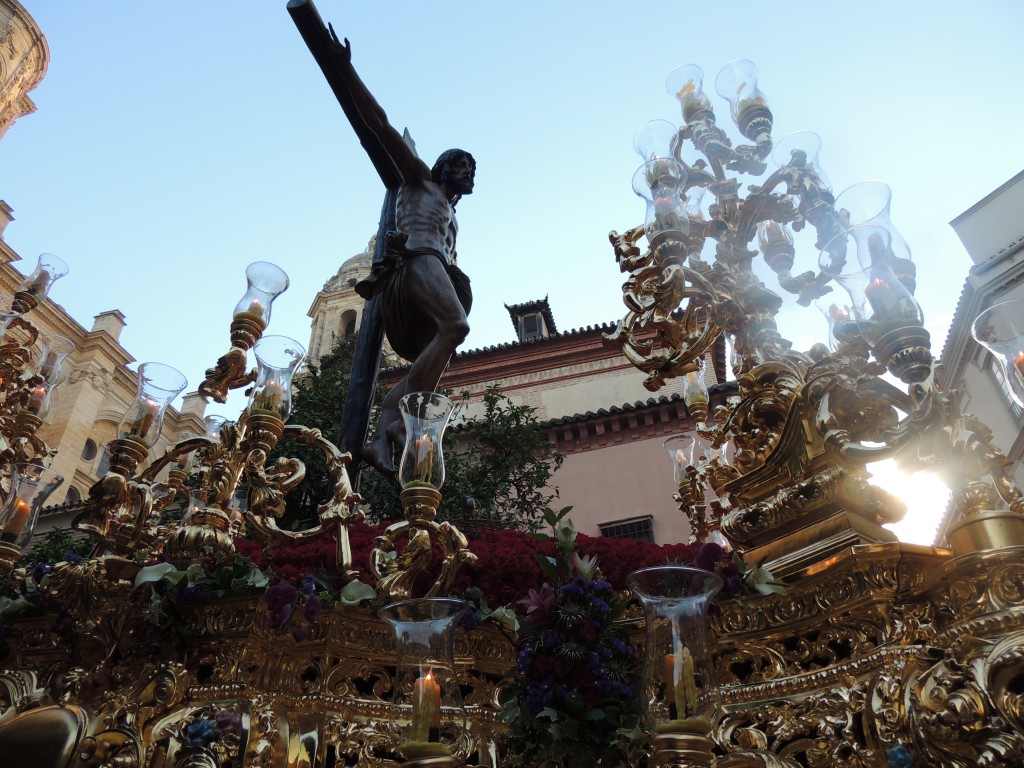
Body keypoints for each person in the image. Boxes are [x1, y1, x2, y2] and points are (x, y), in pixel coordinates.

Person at [330, 31, 476, 479]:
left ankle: (380, 435)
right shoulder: (417, 182)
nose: (469, 172)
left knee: (435, 349)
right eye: (461, 164)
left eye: (473, 168)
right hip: (415, 261)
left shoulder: (453, 218)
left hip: (433, 270)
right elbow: (380, 123)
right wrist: (345, 70)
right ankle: (398, 420)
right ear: (443, 166)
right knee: (455, 327)